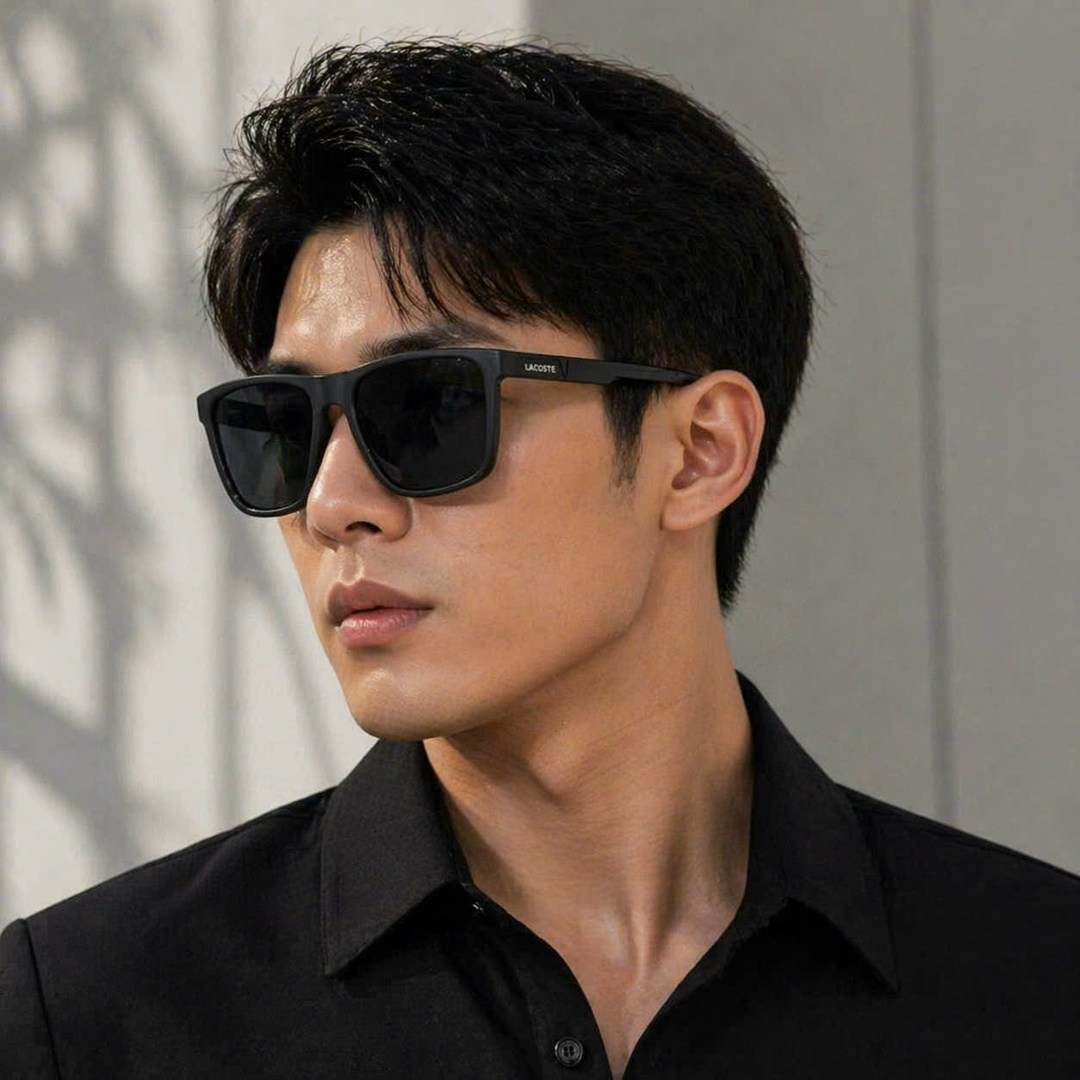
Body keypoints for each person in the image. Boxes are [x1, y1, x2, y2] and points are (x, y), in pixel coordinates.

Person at [2, 39, 1077, 1079]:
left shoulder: (1038, 992)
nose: (331, 505)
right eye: (283, 426)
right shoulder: (92, 1020)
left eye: (426, 408)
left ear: (699, 452)